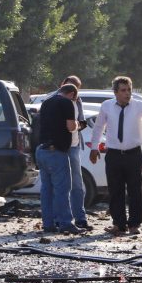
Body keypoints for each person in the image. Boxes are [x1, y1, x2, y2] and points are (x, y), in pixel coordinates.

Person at [89, 76, 142, 236]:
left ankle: (134, 224)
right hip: (114, 154)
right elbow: (98, 127)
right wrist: (94, 148)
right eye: (123, 90)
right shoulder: (107, 106)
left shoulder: (139, 105)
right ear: (115, 92)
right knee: (115, 190)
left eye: (129, 89)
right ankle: (118, 224)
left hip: (133, 154)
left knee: (135, 190)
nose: (127, 93)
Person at [35, 84, 83, 234]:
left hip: (42, 150)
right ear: (72, 94)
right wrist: (77, 125)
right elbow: (70, 126)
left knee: (46, 189)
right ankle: (66, 223)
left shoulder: (46, 102)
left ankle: (48, 224)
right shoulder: (66, 102)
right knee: (62, 189)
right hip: (56, 151)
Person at [53, 75, 90, 230]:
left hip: (73, 146)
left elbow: (82, 122)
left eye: (76, 89)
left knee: (77, 183)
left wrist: (75, 126)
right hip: (58, 146)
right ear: (63, 85)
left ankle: (80, 218)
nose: (73, 92)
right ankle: (59, 219)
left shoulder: (78, 101)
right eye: (70, 87)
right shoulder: (53, 100)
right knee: (59, 184)